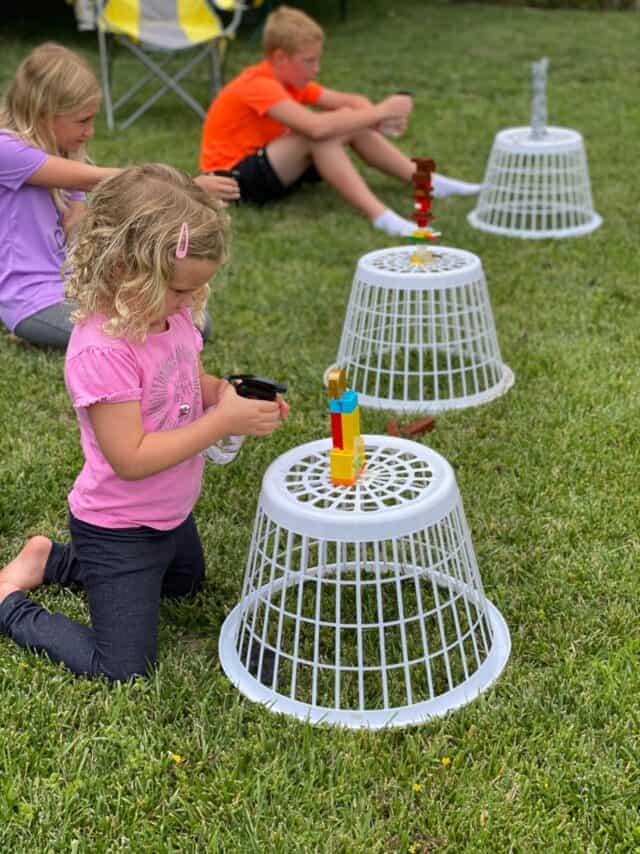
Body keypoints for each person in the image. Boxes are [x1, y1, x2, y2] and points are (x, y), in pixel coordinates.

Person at [0, 163, 288, 681]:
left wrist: (225, 394)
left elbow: (187, 379)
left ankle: (52, 560)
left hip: (171, 514)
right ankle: (10, 605)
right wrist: (220, 422)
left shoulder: (170, 317)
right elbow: (129, 458)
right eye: (178, 290)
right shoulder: (101, 351)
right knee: (124, 667)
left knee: (183, 587)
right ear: (122, 269)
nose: (189, 303)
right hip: (118, 529)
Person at [0, 42, 239, 349]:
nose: (90, 132)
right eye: (82, 121)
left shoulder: (65, 154)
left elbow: (76, 227)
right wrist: (185, 187)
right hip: (31, 300)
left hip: (73, 291)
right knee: (136, 331)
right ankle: (31, 328)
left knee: (196, 322)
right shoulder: (6, 149)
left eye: (92, 120)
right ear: (44, 114)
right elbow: (103, 180)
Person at [199, 5, 481, 238]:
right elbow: (315, 127)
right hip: (233, 183)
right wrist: (380, 112)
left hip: (271, 168)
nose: (316, 69)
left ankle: (425, 181)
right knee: (320, 134)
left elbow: (353, 102)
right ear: (281, 58)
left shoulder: (290, 80)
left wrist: (373, 119)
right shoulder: (258, 84)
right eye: (309, 61)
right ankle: (380, 216)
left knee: (344, 122)